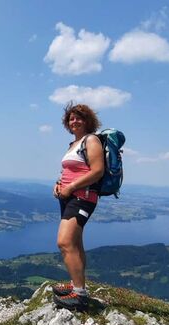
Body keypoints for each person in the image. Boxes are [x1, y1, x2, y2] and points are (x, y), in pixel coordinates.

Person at [52, 103, 104, 311]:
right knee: (75, 243)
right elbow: (69, 171)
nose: (74, 121)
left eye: (79, 118)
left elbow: (97, 171)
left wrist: (71, 186)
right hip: (68, 197)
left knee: (64, 242)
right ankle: (76, 285)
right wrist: (59, 184)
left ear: (88, 120)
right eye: (71, 118)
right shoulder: (73, 144)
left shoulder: (91, 140)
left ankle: (79, 296)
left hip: (82, 197)